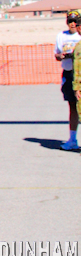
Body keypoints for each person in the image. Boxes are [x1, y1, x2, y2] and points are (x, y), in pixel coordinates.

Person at [54, 10, 81, 151]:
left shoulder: (80, 36)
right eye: (70, 21)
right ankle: (72, 139)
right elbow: (56, 54)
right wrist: (61, 56)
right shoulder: (61, 36)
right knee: (73, 107)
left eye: (75, 21)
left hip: (80, 75)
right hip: (69, 74)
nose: (73, 24)